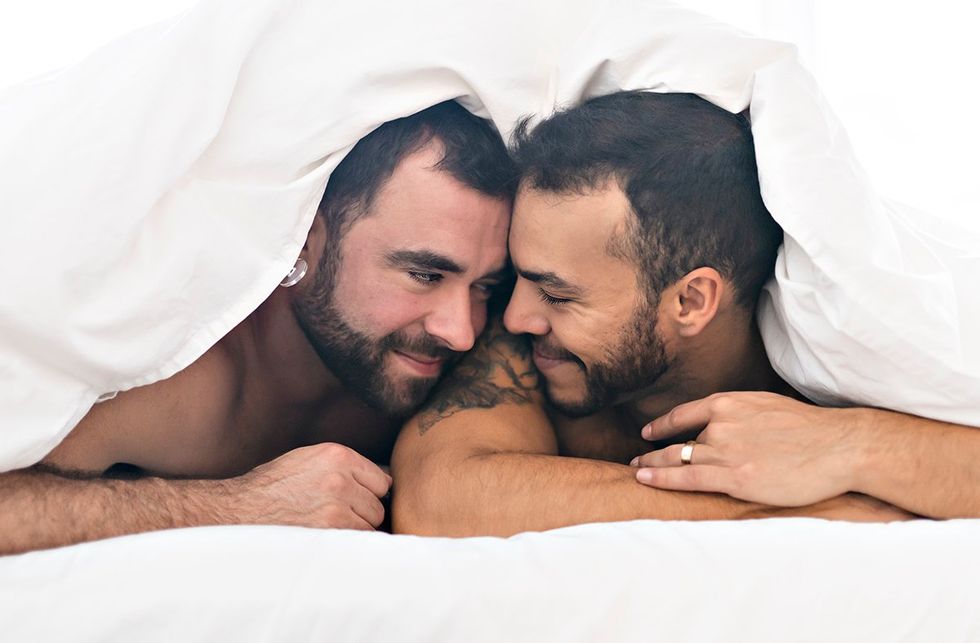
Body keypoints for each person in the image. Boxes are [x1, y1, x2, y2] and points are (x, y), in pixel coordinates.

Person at [391, 91, 978, 537]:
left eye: (559, 295)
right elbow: (434, 495)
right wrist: (773, 506)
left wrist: (851, 446)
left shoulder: (836, 358)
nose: (513, 317)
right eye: (518, 277)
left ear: (691, 301)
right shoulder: (527, 350)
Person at [0, 100, 517, 555]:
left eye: (484, 287)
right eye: (425, 275)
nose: (461, 332)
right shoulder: (171, 369)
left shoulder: (473, 350)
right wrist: (238, 505)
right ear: (303, 241)